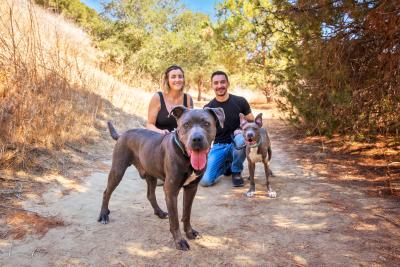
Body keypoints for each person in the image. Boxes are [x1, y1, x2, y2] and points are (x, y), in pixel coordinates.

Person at [200, 71, 254, 187]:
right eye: (216, 83)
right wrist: (206, 147)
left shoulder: (240, 101)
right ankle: (226, 167)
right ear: (212, 86)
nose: (220, 86)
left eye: (223, 82)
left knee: (241, 139)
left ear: (228, 83)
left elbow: (253, 122)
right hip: (219, 145)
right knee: (205, 181)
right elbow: (206, 131)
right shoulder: (208, 108)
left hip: (236, 142)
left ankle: (236, 171)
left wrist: (242, 129)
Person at [147, 65, 194, 134]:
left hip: (179, 142)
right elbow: (149, 125)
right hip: (159, 140)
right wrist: (161, 132)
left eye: (180, 76)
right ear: (167, 80)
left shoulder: (188, 98)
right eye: (173, 77)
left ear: (183, 79)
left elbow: (191, 123)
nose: (177, 80)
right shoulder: (158, 97)